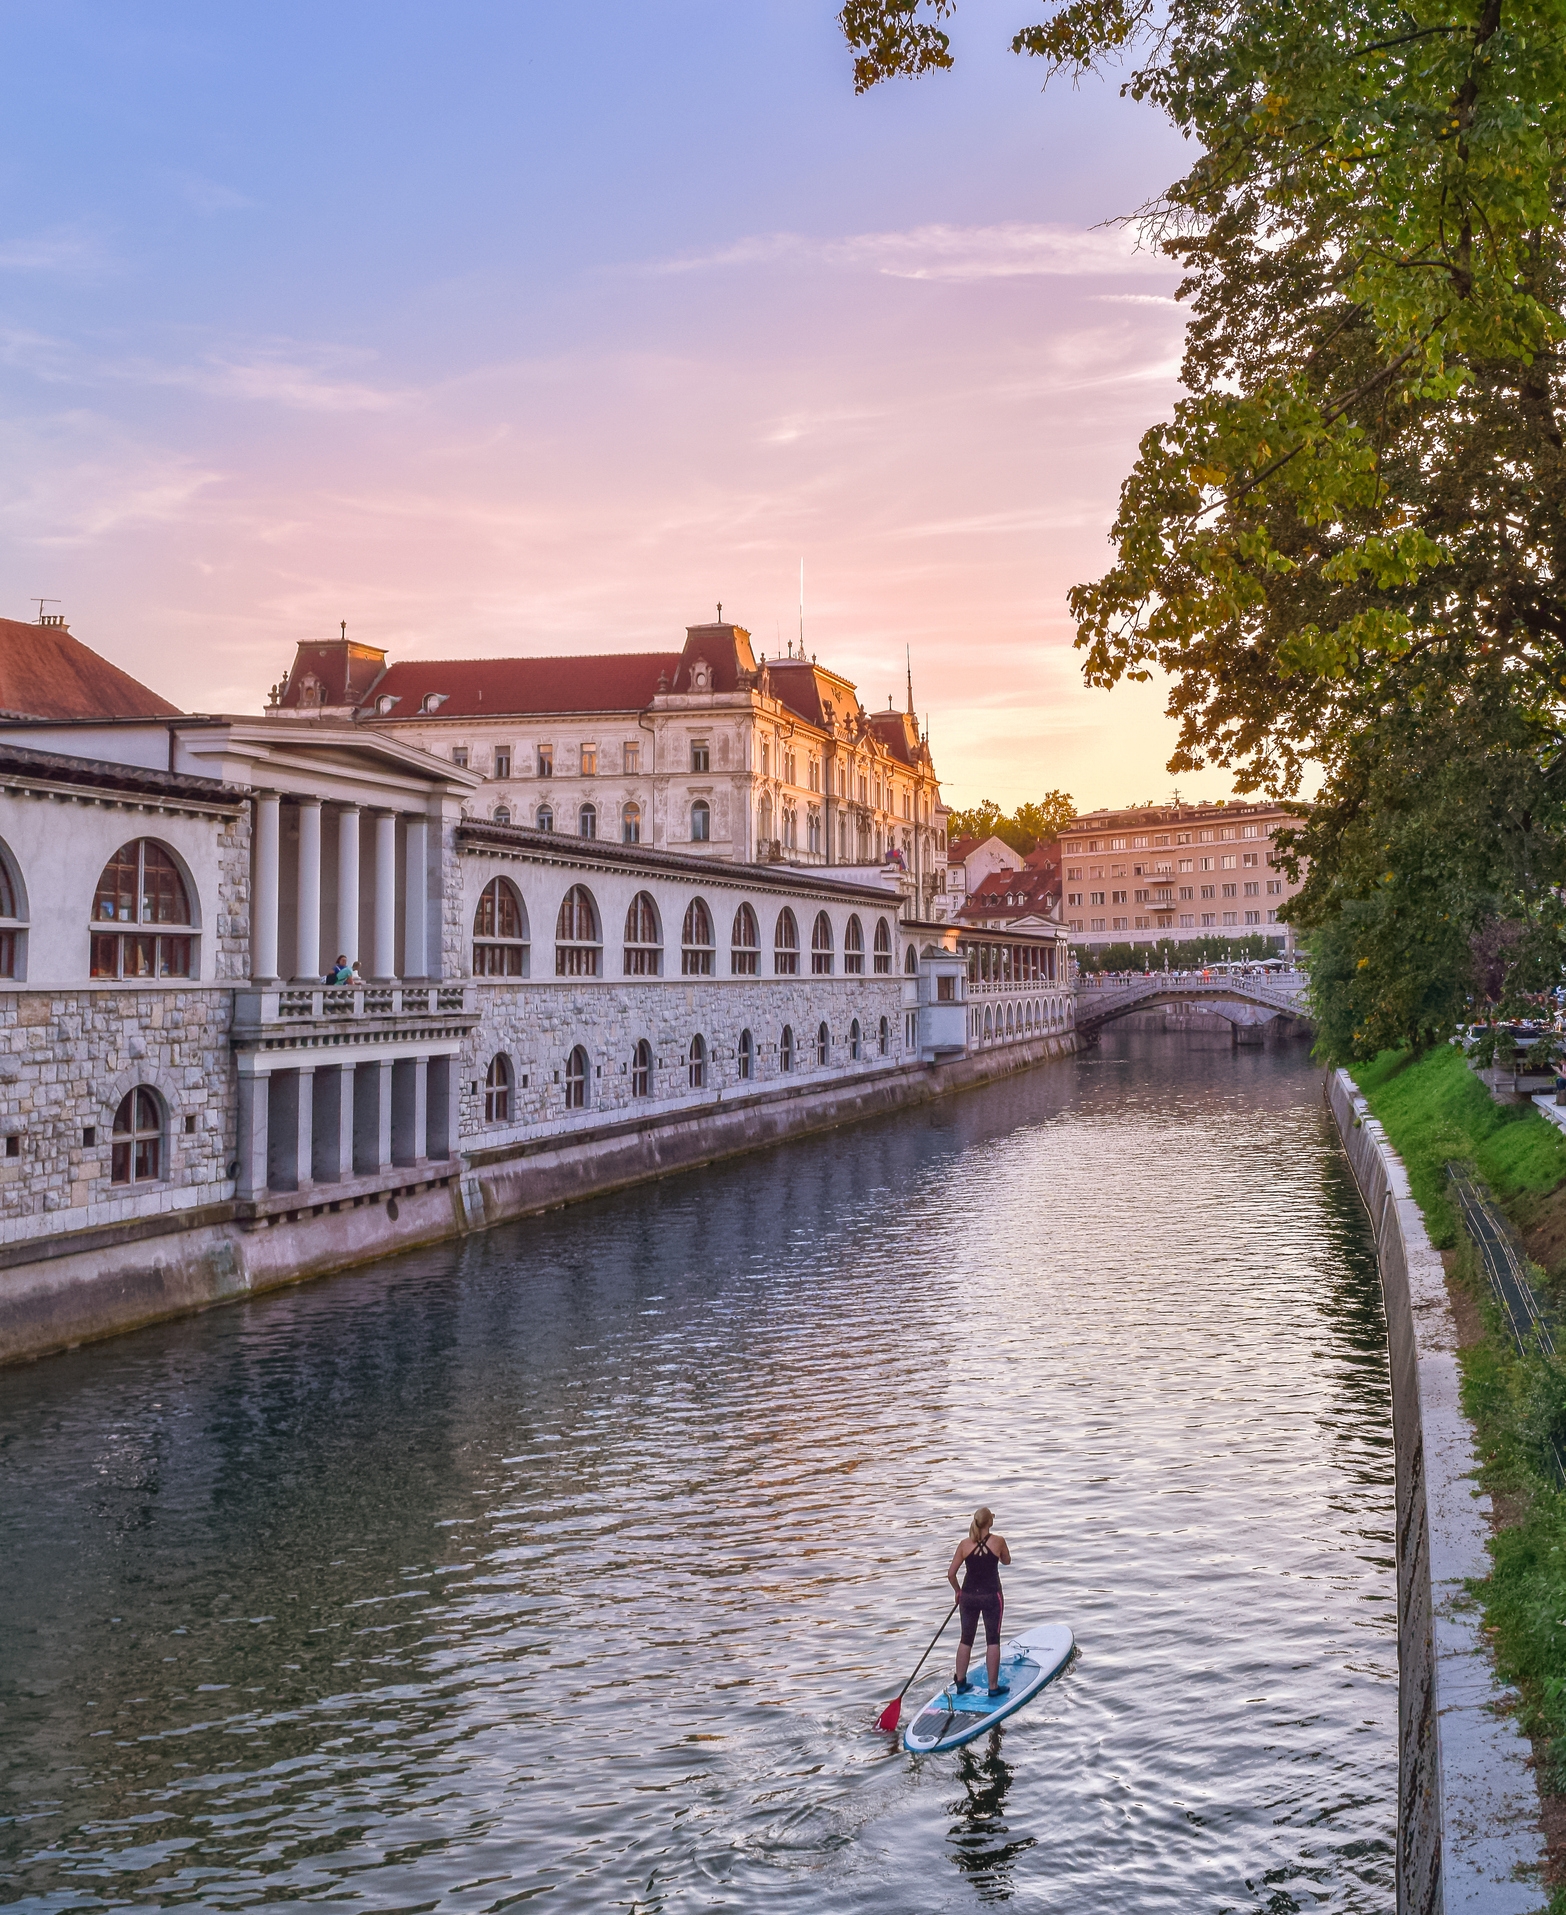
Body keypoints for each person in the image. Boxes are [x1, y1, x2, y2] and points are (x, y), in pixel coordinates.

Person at [948, 1505, 1011, 1697]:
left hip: (968, 1596)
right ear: (989, 1522)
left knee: (966, 1639)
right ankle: (993, 1687)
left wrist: (958, 1591)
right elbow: (1007, 1561)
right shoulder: (998, 1541)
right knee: (993, 1640)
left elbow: (951, 1574)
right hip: (992, 1596)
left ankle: (960, 1682)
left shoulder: (964, 1544)